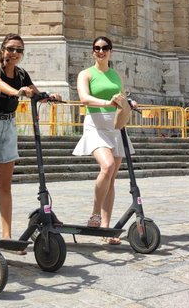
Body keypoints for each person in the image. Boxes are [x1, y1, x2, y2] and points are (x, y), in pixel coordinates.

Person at [0, 33, 59, 251]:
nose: (14, 53)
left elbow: (34, 92)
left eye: (19, 50)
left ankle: (6, 236)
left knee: (5, 185)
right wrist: (17, 92)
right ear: (3, 49)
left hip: (8, 125)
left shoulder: (22, 74)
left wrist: (49, 96)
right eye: (11, 49)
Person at [73, 36, 136, 245]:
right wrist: (108, 103)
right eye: (97, 48)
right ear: (93, 51)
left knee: (112, 178)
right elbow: (84, 98)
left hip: (116, 125)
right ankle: (95, 213)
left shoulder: (116, 74)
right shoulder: (86, 74)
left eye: (105, 48)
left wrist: (128, 102)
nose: (100, 51)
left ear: (111, 51)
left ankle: (106, 229)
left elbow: (121, 96)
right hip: (95, 124)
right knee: (107, 166)